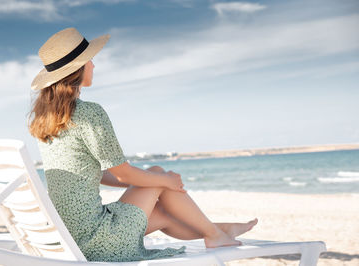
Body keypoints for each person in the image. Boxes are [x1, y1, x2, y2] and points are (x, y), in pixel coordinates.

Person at [28, 27, 258, 262]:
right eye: (90, 60)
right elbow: (123, 173)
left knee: (161, 213)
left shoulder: (46, 123)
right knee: (159, 172)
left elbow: (93, 174)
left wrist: (144, 185)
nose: (94, 66)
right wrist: (163, 181)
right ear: (77, 69)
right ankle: (214, 234)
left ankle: (218, 231)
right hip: (95, 239)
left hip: (68, 236)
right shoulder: (88, 113)